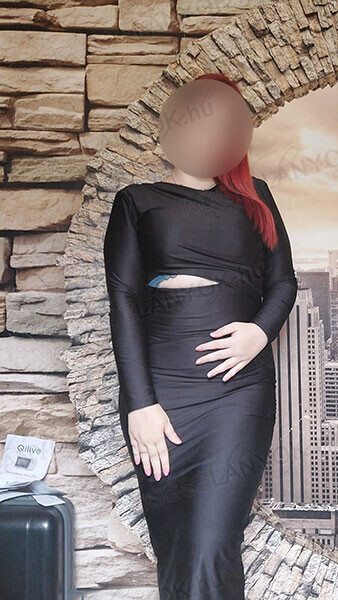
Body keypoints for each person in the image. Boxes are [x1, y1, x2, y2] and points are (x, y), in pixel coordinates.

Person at [103, 73, 297, 600]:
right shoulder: (136, 201)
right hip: (161, 395)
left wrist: (259, 334)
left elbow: (283, 283)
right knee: (177, 547)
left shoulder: (256, 198)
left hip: (238, 391)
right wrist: (140, 405)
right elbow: (123, 301)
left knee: (213, 544)